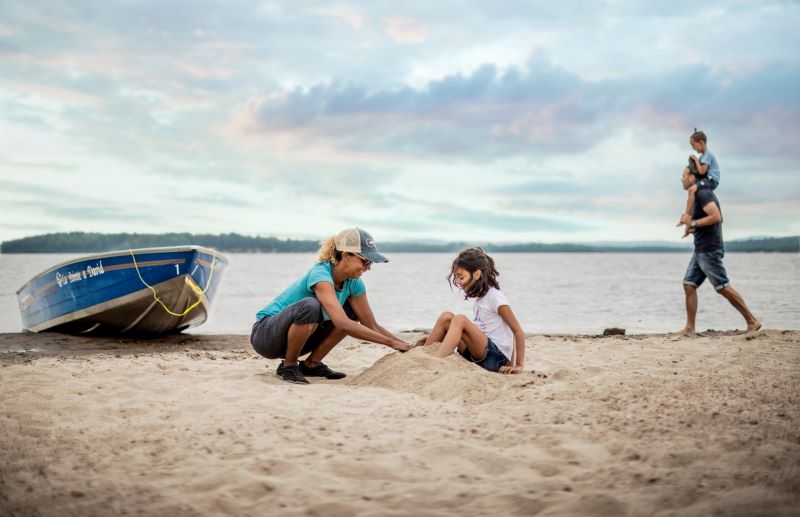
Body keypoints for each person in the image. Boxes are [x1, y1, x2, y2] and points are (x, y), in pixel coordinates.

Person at [250, 227, 413, 384]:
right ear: (346, 255)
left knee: (351, 312)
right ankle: (289, 367)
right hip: (265, 337)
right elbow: (342, 324)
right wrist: (391, 343)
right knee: (310, 306)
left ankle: (311, 365)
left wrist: (405, 345)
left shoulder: (354, 283)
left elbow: (371, 325)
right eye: (365, 261)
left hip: (298, 338)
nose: (368, 267)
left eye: (371, 263)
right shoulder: (320, 274)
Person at [676, 168, 761, 337]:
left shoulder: (703, 193)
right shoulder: (698, 195)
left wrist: (693, 221)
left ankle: (752, 321)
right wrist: (691, 228)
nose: (681, 179)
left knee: (722, 286)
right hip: (701, 249)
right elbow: (705, 222)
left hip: (709, 249)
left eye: (684, 175)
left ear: (692, 177)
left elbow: (716, 216)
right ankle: (690, 327)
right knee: (689, 284)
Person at [417, 247, 525, 374]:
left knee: (460, 319)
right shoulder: (481, 298)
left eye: (461, 277)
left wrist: (516, 365)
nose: (458, 282)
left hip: (495, 359)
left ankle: (436, 362)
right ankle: (422, 355)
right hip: (479, 354)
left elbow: (517, 331)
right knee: (447, 317)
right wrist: (437, 337)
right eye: (456, 278)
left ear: (477, 274)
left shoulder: (495, 297)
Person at [678, 129, 721, 236]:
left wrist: (696, 160)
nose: (693, 148)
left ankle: (687, 215)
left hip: (711, 180)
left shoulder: (708, 155)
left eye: (693, 145)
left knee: (692, 190)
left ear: (701, 142)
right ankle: (688, 218)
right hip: (707, 179)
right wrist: (692, 226)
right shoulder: (703, 157)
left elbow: (701, 171)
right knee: (694, 191)